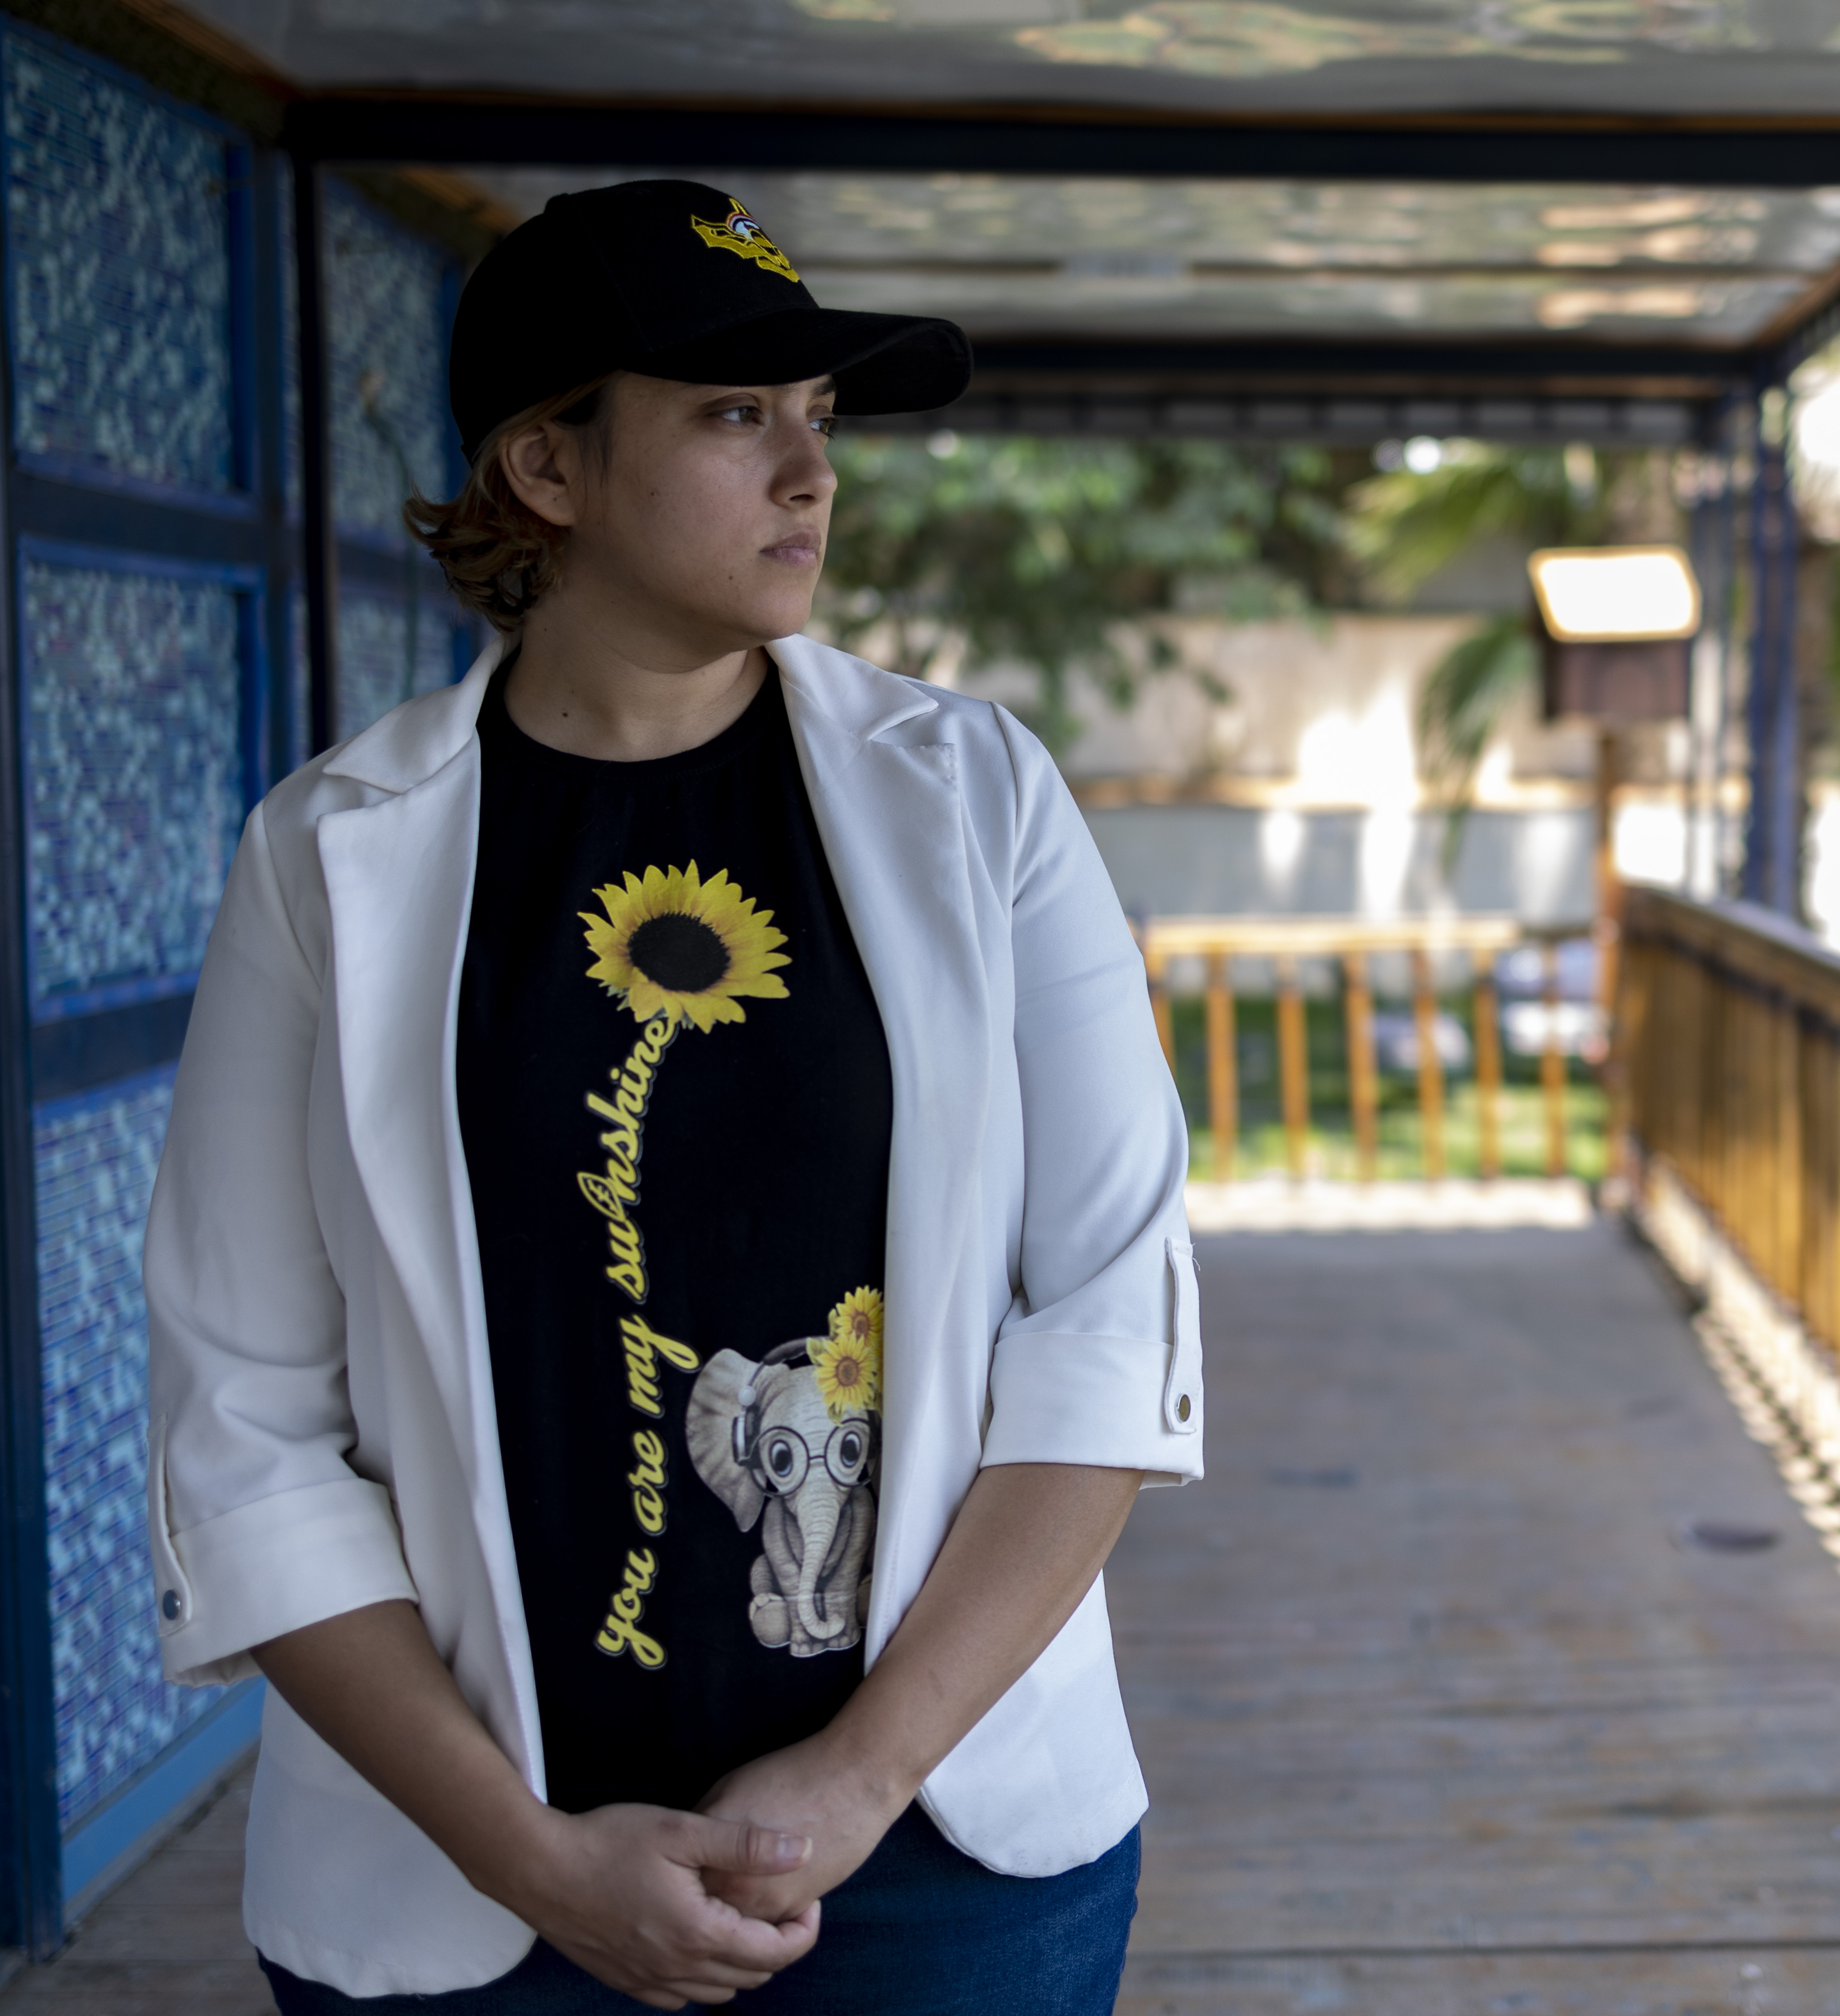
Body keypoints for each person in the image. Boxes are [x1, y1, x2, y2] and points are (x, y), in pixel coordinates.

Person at [143, 179, 1204, 2014]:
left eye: (820, 420)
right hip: (469, 1892)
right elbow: (243, 1418)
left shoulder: (973, 797)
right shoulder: (328, 858)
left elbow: (1109, 1313)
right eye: (734, 415)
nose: (810, 474)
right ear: (546, 468)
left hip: (940, 1869)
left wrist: (858, 1778)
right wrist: (528, 1853)